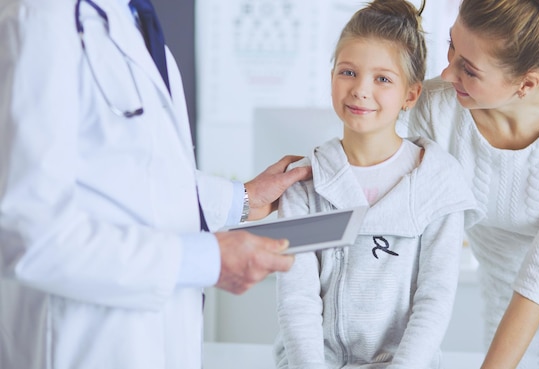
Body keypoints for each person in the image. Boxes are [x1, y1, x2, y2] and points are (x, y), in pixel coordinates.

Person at [0, 0, 311, 368]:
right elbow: (28, 233)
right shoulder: (40, 19)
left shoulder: (131, 20)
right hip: (89, 344)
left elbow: (136, 173)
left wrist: (241, 199)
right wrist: (205, 259)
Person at [408, 0, 539, 368]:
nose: (447, 73)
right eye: (452, 45)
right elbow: (372, 180)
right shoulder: (435, 105)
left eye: (470, 70)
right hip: (504, 304)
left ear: (526, 84)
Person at [273, 1, 479, 368]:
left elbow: (434, 298)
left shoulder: (437, 183)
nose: (360, 90)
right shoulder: (304, 183)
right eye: (348, 72)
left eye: (383, 79)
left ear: (411, 95)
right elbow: (297, 300)